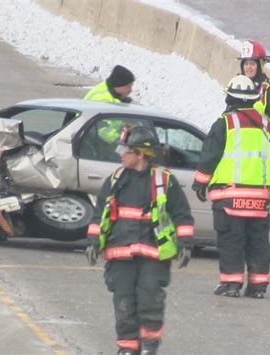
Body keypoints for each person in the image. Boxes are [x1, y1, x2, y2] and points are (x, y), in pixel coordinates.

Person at [85, 125, 194, 355]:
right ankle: (127, 348)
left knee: (150, 301)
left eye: (126, 150)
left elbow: (182, 214)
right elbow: (99, 214)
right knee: (124, 302)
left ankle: (149, 347)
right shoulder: (115, 179)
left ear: (142, 153)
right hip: (120, 252)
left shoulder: (164, 180)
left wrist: (185, 244)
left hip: (154, 255)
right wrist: (93, 241)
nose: (120, 154)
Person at [192, 75, 270, 299]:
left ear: (230, 98)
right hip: (260, 197)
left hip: (230, 196)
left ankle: (231, 284)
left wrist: (200, 183)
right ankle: (258, 287)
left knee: (231, 241)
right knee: (257, 242)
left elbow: (210, 155)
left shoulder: (226, 123)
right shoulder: (266, 124)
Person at [238, 40, 270, 174]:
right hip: (238, 156)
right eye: (246, 63)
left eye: (252, 63)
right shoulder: (236, 89)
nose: (248, 67)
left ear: (260, 66)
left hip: (262, 157)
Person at [84, 65, 136, 144]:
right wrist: (119, 140)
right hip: (96, 143)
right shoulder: (104, 100)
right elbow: (101, 129)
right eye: (128, 87)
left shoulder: (110, 92)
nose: (131, 90)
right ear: (119, 85)